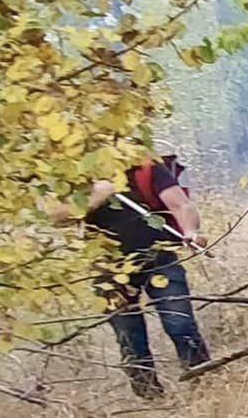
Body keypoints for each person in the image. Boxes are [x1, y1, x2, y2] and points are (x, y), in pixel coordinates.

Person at [84, 155, 213, 399]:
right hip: (108, 270)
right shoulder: (75, 173)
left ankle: (205, 390)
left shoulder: (145, 166)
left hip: (160, 259)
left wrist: (191, 232)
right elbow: (59, 216)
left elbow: (180, 204)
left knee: (181, 325)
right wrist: (96, 195)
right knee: (130, 340)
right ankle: (151, 400)